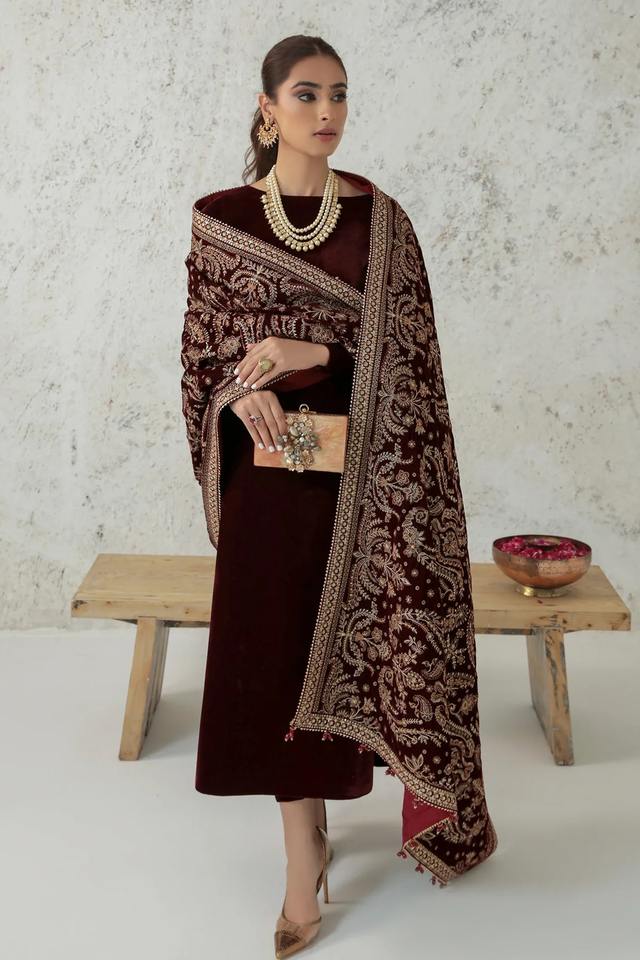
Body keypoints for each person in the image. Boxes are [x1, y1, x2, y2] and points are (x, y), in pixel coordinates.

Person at [180, 34, 498, 959]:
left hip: (364, 486)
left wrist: (313, 350)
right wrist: (240, 389)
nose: (327, 112)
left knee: (349, 648)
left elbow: (414, 362)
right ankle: (301, 851)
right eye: (307, 94)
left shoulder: (381, 222)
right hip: (267, 479)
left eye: (340, 95)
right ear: (268, 107)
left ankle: (316, 840)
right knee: (279, 653)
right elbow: (200, 352)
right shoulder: (221, 218)